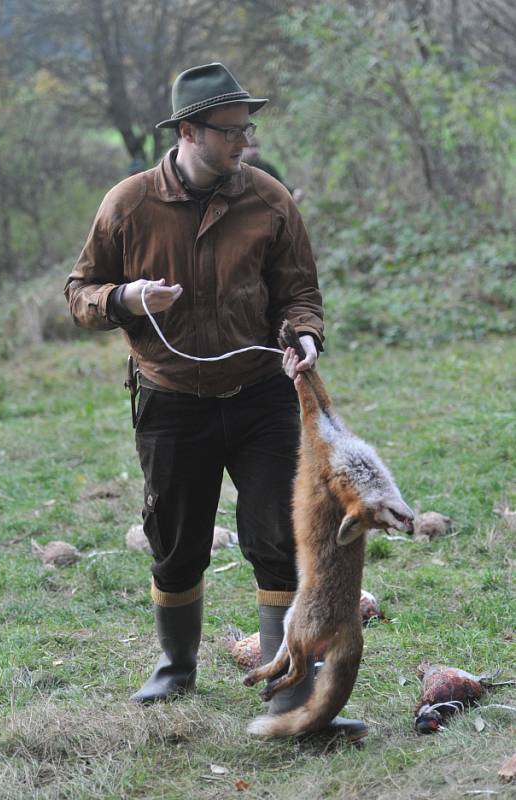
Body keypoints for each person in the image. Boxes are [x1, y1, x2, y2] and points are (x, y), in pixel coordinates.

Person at [64, 62, 366, 740]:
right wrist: (125, 298)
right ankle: (175, 667)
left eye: (247, 128)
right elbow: (79, 295)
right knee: (175, 545)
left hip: (261, 396)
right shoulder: (128, 204)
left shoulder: (269, 199)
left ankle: (290, 692)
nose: (244, 142)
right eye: (232, 131)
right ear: (190, 132)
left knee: (279, 540)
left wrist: (305, 336)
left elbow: (300, 293)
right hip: (169, 401)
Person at [242, 136, 304, 202]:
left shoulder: (265, 166)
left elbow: (279, 185)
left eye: (256, 147)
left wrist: (293, 192)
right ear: (242, 149)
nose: (255, 151)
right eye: (251, 147)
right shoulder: (235, 168)